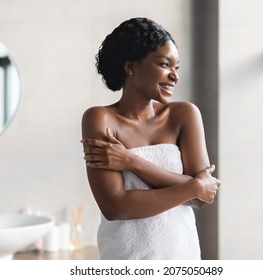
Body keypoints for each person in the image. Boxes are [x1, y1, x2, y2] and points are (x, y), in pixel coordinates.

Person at [81, 17, 220, 260]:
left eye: (176, 68)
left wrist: (131, 162)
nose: (174, 76)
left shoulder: (184, 115)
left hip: (181, 257)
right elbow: (116, 207)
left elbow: (201, 199)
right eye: (165, 64)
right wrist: (192, 185)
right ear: (131, 66)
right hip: (125, 258)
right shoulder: (99, 119)